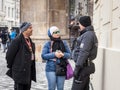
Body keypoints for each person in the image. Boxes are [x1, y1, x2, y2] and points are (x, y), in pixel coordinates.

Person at [6, 22, 36, 90]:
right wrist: (15, 67)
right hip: (19, 72)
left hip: (28, 72)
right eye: (30, 28)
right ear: (24, 30)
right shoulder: (17, 41)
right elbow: (9, 56)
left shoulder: (30, 41)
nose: (32, 29)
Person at [71, 16, 98, 90]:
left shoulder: (88, 35)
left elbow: (84, 52)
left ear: (83, 24)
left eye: (79, 23)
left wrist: (77, 68)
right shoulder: (87, 34)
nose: (79, 25)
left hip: (83, 67)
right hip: (84, 66)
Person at [41, 26, 71, 90]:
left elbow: (69, 55)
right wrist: (54, 54)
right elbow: (43, 56)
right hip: (50, 68)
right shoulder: (48, 44)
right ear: (51, 34)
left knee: (60, 88)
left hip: (61, 67)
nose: (57, 33)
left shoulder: (64, 43)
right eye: (55, 32)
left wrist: (63, 54)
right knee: (51, 88)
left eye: (58, 31)